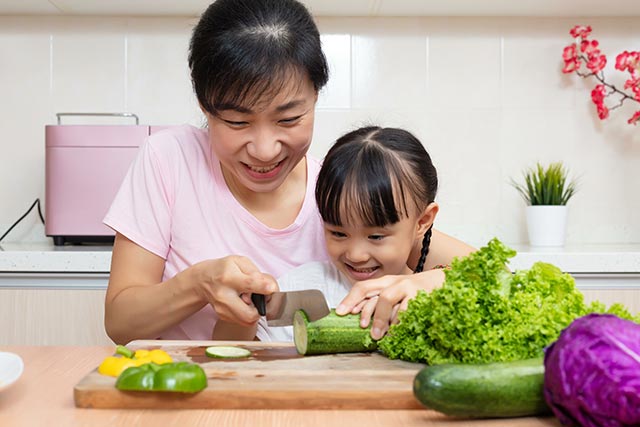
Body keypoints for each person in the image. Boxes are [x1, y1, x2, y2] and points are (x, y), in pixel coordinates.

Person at [103, 0, 474, 345]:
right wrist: (198, 284)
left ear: (315, 97)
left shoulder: (339, 195)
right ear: (205, 105)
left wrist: (429, 282)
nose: (265, 150)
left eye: (288, 119)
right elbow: (120, 324)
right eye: (236, 121)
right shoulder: (169, 159)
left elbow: (498, 275)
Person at [215, 125, 442, 342]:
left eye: (376, 237)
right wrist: (242, 314)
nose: (356, 255)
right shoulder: (302, 287)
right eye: (338, 233)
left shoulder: (434, 294)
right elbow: (239, 352)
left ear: (422, 221)